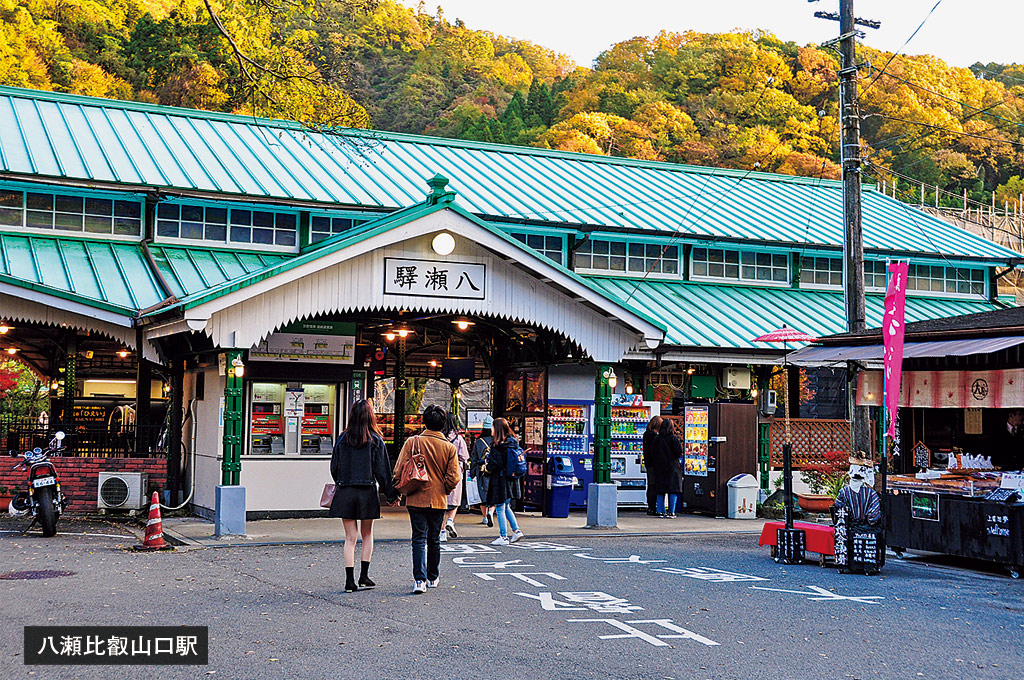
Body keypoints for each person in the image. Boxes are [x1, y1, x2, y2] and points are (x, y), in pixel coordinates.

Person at [328, 399, 396, 593]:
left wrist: (342, 480)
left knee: (350, 538)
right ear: (370, 416)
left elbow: (334, 467)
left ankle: (349, 581)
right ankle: (364, 576)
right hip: (367, 492)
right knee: (367, 535)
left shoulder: (342, 439)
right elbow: (383, 471)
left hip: (346, 491)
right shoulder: (375, 440)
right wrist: (391, 495)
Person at [393, 404, 460, 594]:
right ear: (443, 423)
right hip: (438, 499)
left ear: (424, 421)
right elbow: (454, 477)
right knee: (434, 538)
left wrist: (399, 488)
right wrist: (444, 488)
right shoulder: (448, 447)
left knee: (418, 538)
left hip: (416, 498)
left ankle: (419, 580)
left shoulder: (412, 442)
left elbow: (398, 470)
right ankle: (433, 577)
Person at [485, 417, 525, 545]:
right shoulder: (512, 443)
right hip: (511, 479)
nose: (490, 430)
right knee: (507, 506)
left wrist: (487, 462)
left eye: (492, 427)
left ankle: (503, 536)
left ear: (496, 429)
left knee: (500, 507)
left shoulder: (498, 446)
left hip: (500, 480)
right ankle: (516, 530)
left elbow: (494, 464)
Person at [441, 412, 470, 541]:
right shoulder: (458, 439)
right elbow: (465, 456)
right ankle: (450, 521)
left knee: (441, 503)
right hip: (455, 471)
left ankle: (442, 533)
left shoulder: (439, 436)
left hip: (440, 471)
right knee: (455, 501)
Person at [653, 418, 684, 518]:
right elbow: (678, 452)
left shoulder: (657, 439)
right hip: (672, 467)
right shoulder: (673, 439)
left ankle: (660, 511)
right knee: (673, 490)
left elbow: (653, 452)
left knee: (660, 490)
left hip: (659, 466)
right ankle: (671, 512)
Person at [470, 415, 495, 526]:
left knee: (482, 494)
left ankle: (485, 517)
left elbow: (473, 458)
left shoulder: (478, 442)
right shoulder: (496, 441)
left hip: (482, 472)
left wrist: (472, 473)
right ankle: (491, 512)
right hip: (494, 471)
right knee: (494, 493)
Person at [642, 415, 663, 516]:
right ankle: (653, 507)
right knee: (654, 486)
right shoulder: (654, 436)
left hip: (648, 463)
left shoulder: (646, 434)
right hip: (654, 464)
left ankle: (651, 507)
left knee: (651, 485)